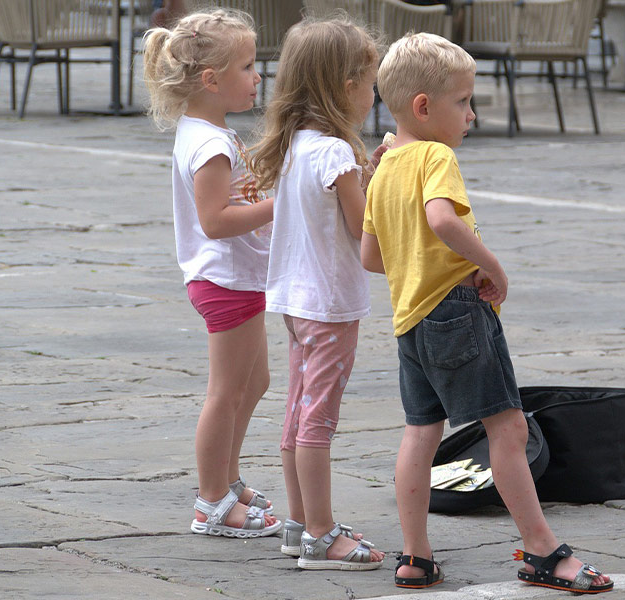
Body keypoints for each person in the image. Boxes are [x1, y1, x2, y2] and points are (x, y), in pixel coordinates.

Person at [361, 33, 614, 594]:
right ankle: (543, 550)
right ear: (423, 107)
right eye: (463, 101)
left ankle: (415, 556)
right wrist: (491, 266)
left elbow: (370, 258)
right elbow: (442, 220)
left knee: (420, 433)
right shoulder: (434, 155)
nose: (471, 114)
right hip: (457, 310)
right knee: (508, 428)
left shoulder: (384, 168)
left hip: (410, 321)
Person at [250, 18, 387, 570]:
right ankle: (322, 534)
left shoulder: (296, 146)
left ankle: (299, 521)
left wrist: (366, 172)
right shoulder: (334, 153)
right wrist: (382, 186)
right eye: (371, 84)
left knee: (297, 410)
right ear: (346, 86)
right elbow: (361, 228)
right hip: (330, 304)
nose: (374, 95)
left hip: (295, 300)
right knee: (318, 420)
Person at [143, 9, 281, 539]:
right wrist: (281, 206)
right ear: (211, 80)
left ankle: (226, 477)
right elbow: (216, 221)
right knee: (225, 393)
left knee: (255, 381)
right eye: (247, 67)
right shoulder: (211, 145)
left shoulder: (207, 131)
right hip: (226, 280)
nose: (257, 76)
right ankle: (211, 501)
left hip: (236, 278)